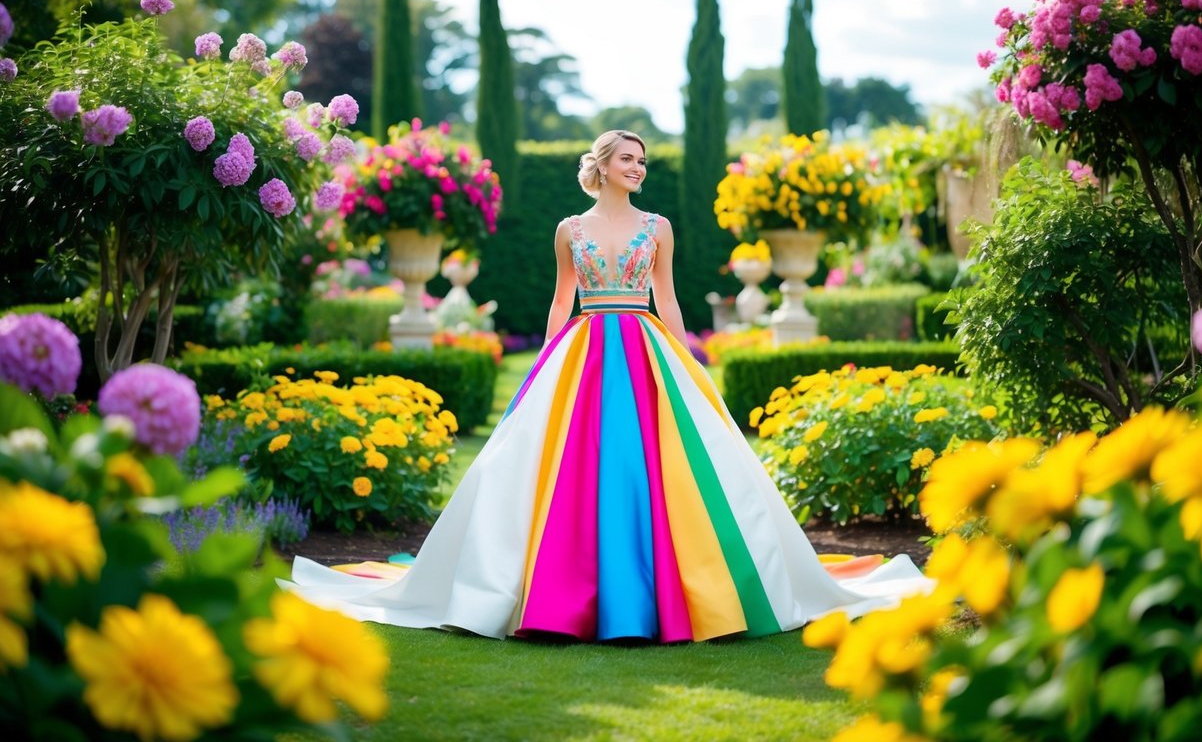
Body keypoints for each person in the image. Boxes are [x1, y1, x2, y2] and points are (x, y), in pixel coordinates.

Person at [283, 130, 931, 642]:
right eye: (627, 159)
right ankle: (557, 589)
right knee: (572, 465)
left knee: (652, 466)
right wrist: (546, 363)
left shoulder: (659, 227)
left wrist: (688, 360)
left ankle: (669, 588)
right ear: (602, 165)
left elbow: (667, 299)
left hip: (645, 345)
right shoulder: (569, 230)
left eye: (642, 161)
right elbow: (561, 299)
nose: (637, 168)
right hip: (584, 348)